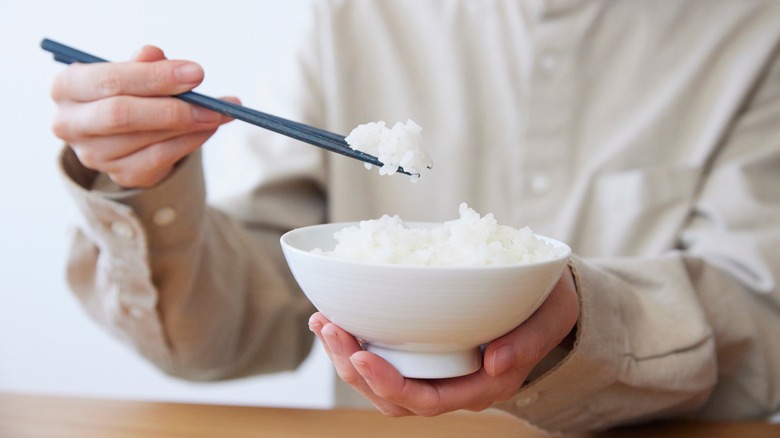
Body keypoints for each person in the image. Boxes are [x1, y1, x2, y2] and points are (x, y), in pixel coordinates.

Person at [48, 0, 780, 433]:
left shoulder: (756, 30)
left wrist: (585, 325)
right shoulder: (355, 17)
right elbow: (226, 332)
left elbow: (763, 327)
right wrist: (143, 179)